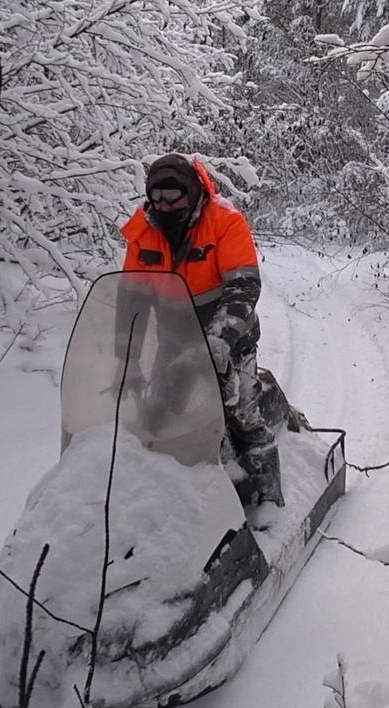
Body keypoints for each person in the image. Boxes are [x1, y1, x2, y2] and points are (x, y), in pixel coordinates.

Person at [119, 154, 284, 508]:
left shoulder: (224, 221)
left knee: (241, 416)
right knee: (157, 419)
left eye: (173, 197)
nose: (164, 205)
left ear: (191, 193)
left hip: (230, 340)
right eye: (157, 197)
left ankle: (269, 500)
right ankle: (165, 503)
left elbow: (243, 288)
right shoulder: (144, 230)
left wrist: (218, 341)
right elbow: (131, 301)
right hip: (174, 341)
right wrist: (127, 360)